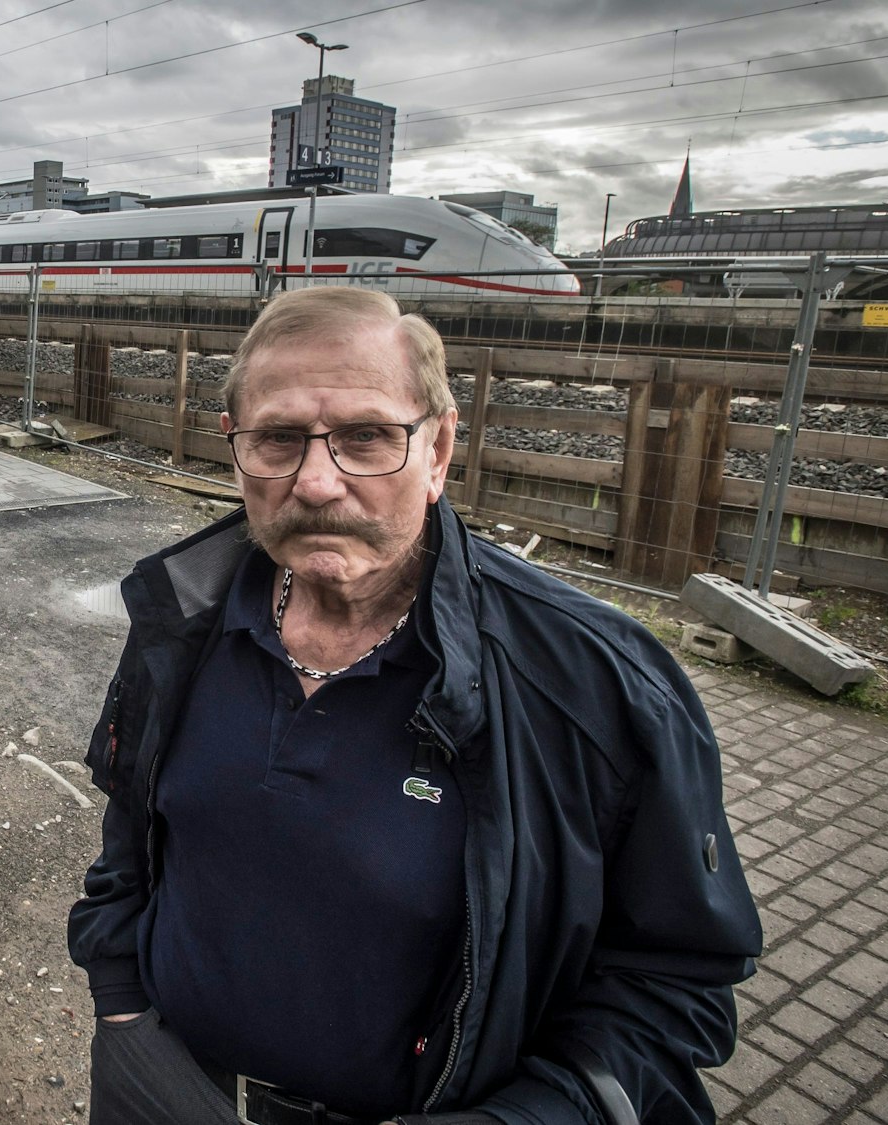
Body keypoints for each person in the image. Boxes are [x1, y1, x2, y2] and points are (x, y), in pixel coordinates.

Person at [67, 286, 761, 1125]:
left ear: (439, 450)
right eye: (279, 438)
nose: (316, 482)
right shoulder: (183, 619)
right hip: (161, 1087)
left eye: (366, 437)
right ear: (234, 446)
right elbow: (132, 830)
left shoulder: (595, 686)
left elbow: (675, 977)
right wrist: (121, 1005)